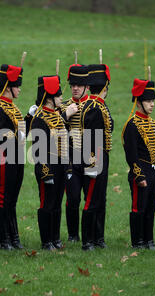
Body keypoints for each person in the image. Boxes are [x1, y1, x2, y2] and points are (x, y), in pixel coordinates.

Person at [0, 64, 30, 250]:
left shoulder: (13, 108)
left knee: (12, 200)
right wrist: (15, 134)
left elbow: (22, 132)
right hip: (4, 159)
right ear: (8, 87)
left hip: (17, 159)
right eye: (17, 85)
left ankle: (14, 238)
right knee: (3, 199)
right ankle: (4, 239)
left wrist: (29, 117)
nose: (19, 89)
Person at [121, 78, 155, 250]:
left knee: (150, 208)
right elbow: (131, 155)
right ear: (139, 102)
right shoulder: (131, 126)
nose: (152, 104)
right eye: (148, 101)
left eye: (153, 101)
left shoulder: (154, 124)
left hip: (154, 172)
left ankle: (149, 240)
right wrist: (139, 175)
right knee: (138, 208)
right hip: (141, 172)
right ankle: (137, 241)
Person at [30, 75, 69, 250]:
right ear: (50, 98)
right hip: (48, 167)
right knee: (47, 204)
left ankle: (55, 238)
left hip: (60, 166)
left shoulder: (57, 116)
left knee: (57, 203)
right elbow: (38, 150)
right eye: (59, 95)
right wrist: (45, 172)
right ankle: (46, 241)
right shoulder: (39, 118)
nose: (61, 98)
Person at [80, 64, 113, 250]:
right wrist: (92, 163)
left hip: (102, 156)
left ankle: (97, 238)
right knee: (92, 200)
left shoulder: (99, 105)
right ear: (104, 88)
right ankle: (87, 241)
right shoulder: (94, 107)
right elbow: (91, 138)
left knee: (100, 199)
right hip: (94, 157)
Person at [59, 64, 90, 242]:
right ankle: (73, 235)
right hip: (70, 158)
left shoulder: (94, 105)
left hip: (90, 157)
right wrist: (67, 115)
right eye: (72, 85)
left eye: (79, 85)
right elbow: (54, 132)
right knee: (72, 198)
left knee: (91, 199)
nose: (75, 88)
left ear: (86, 86)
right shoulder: (64, 106)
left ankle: (91, 235)